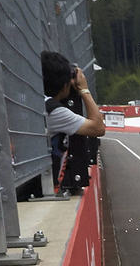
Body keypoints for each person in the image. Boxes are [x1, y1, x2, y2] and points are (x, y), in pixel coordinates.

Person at [41, 51, 105, 189]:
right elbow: (98, 128)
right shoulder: (54, 111)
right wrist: (84, 90)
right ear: (65, 87)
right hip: (40, 185)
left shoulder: (33, 100)